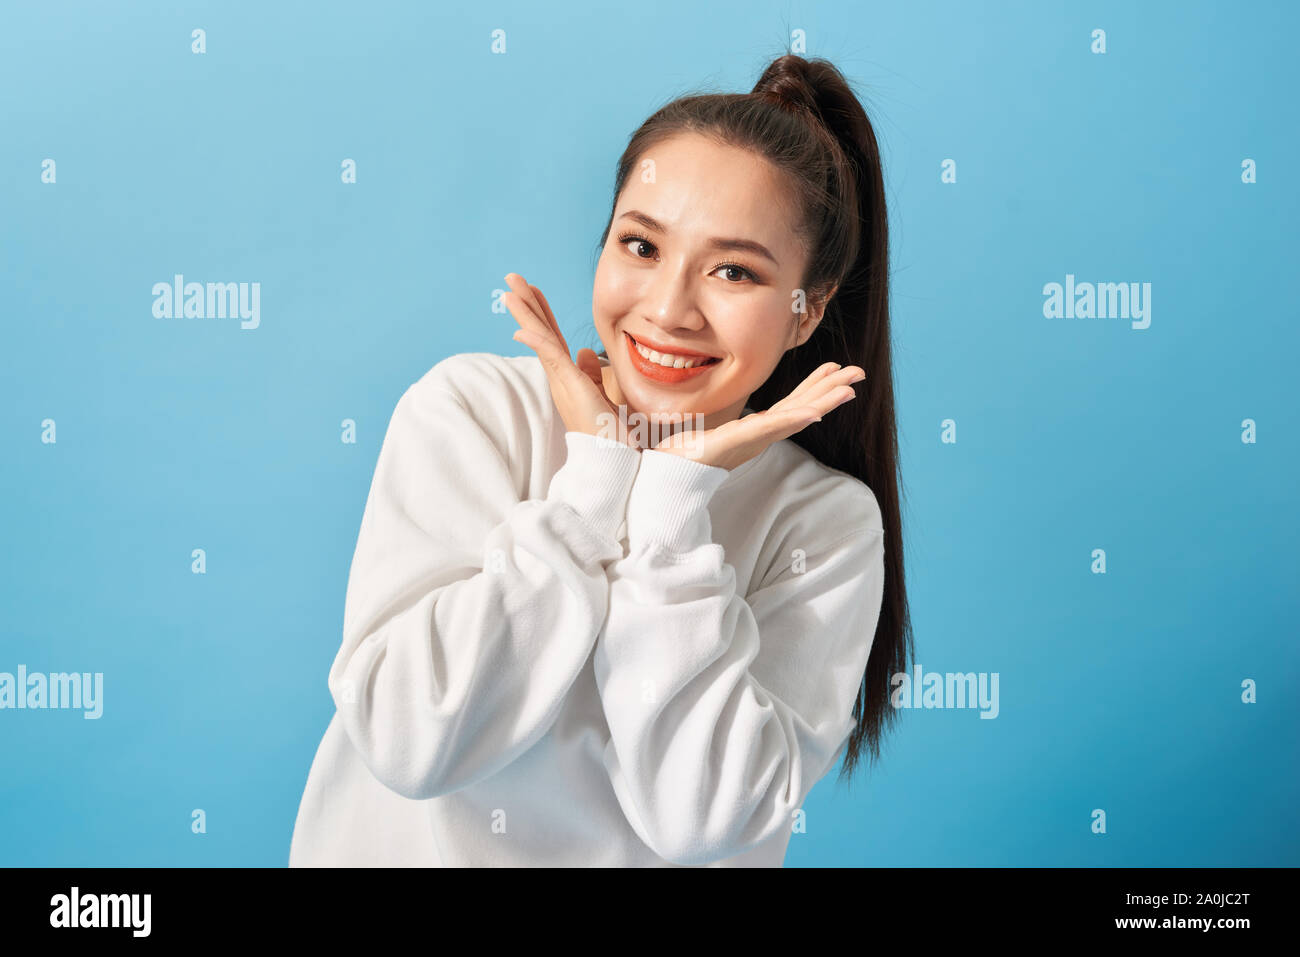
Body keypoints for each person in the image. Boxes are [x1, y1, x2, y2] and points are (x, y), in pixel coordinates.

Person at [289, 51, 913, 867]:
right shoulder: (473, 412)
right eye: (642, 246)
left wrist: (671, 503)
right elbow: (410, 743)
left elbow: (705, 822)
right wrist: (595, 479)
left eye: (733, 270)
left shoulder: (824, 521)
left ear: (808, 311)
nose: (667, 309)